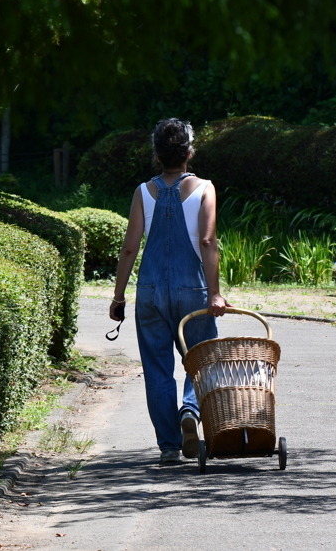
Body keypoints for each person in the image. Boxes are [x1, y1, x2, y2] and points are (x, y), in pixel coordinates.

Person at [109, 118, 227, 466]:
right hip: (193, 290)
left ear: (157, 156)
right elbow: (207, 241)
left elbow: (130, 248)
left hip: (150, 292)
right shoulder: (205, 188)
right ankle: (190, 410)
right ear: (189, 153)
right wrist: (215, 294)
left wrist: (118, 297)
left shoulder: (143, 192)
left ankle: (169, 447)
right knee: (201, 358)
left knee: (157, 369)